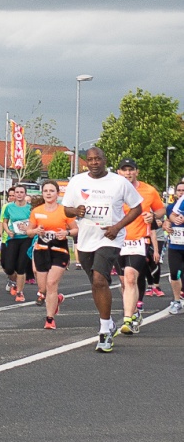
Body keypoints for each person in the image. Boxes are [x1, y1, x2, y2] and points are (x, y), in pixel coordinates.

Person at [61, 147, 142, 352]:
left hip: (110, 237)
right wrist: (76, 211)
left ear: (105, 160)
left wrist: (117, 227)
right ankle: (109, 322)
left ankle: (104, 331)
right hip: (87, 238)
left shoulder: (119, 182)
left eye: (98, 159)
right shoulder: (77, 181)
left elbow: (137, 207)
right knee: (96, 284)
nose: (94, 162)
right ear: (86, 162)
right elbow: (66, 209)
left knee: (99, 279)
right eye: (90, 159)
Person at [113, 159, 165, 335]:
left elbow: (160, 210)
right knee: (124, 282)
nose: (128, 173)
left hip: (139, 240)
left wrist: (152, 215)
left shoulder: (148, 190)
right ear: (119, 172)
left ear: (137, 172)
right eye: (124, 170)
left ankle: (127, 319)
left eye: (131, 170)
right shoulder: (113, 190)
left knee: (130, 277)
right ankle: (134, 312)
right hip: (118, 241)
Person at [28, 180, 77, 329]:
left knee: (51, 283)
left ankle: (49, 319)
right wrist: (36, 231)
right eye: (46, 191)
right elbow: (29, 232)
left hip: (59, 250)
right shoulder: (37, 211)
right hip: (41, 250)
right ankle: (56, 299)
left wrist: (66, 233)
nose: (48, 193)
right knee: (43, 289)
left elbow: (76, 229)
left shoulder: (64, 211)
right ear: (42, 194)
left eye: (51, 191)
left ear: (57, 193)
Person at [0, 184, 34, 302]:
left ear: (25, 194)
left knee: (21, 267)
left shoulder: (30, 208)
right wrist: (8, 231)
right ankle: (15, 282)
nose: (19, 194)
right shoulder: (9, 207)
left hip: (26, 239)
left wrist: (27, 227)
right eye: (17, 192)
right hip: (13, 238)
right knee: (8, 267)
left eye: (21, 192)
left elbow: (34, 223)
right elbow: (4, 222)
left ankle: (20, 292)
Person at [163, 180, 184, 314]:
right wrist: (166, 225)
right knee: (174, 273)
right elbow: (167, 221)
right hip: (175, 246)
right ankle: (176, 301)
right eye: (179, 190)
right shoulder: (171, 207)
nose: (181, 193)